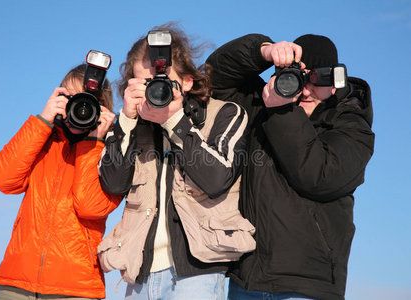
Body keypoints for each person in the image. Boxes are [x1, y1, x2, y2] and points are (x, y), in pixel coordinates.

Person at [206, 34, 375, 300]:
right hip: (247, 281)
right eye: (300, 78)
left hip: (307, 287)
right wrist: (263, 51)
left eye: (319, 80)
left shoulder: (351, 126)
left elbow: (319, 176)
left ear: (335, 83)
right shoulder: (262, 107)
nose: (306, 90)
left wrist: (282, 110)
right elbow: (214, 76)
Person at [97, 24, 256, 300]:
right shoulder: (130, 127)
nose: (155, 90)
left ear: (188, 81)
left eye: (163, 80)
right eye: (145, 83)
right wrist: (126, 120)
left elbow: (217, 179)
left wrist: (174, 122)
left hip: (198, 273)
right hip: (138, 271)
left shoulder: (225, 114)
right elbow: (112, 183)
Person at [0, 63, 122, 300]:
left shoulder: (111, 151)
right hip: (17, 281)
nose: (76, 108)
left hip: (75, 287)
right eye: (68, 97)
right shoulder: (43, 140)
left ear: (101, 108)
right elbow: (1, 179)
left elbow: (90, 206)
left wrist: (92, 143)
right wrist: (43, 120)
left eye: (84, 101)